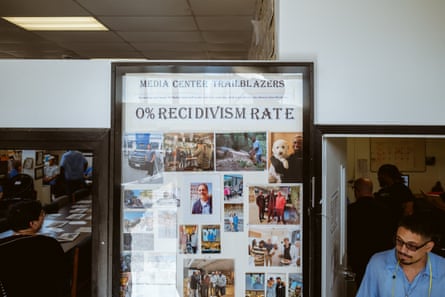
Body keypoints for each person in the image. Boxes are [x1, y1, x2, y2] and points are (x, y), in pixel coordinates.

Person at [356, 213, 445, 297]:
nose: (402, 250)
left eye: (411, 246)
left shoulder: (442, 269)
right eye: (399, 241)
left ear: (428, 247)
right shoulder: (378, 263)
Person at [0, 200, 69, 297]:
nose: (43, 217)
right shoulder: (49, 243)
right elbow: (63, 277)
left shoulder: (2, 246)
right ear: (32, 223)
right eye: (41, 215)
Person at [348, 177, 393, 286]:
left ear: (356, 191)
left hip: (358, 258)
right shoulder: (385, 210)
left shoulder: (350, 210)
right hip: (381, 256)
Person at [374, 164, 415, 234]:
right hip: (382, 227)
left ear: (386, 175)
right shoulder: (382, 191)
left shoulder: (403, 190)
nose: (378, 178)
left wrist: (401, 228)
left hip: (396, 228)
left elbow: (409, 211)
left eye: (379, 175)